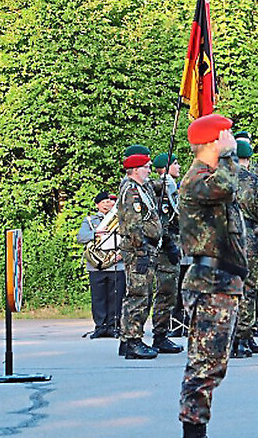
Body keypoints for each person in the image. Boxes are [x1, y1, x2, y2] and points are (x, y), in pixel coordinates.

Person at [178, 114, 247, 438]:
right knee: (204, 365)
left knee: (212, 364)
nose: (230, 140)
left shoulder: (210, 176)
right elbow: (228, 185)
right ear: (212, 141)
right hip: (210, 283)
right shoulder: (198, 179)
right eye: (226, 135)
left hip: (221, 281)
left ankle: (196, 429)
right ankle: (193, 432)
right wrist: (231, 154)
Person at [117, 146, 163, 359]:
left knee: (141, 294)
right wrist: (141, 250)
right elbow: (133, 224)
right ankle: (133, 340)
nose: (149, 171)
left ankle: (128, 340)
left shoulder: (141, 187)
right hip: (138, 251)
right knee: (138, 295)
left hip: (142, 248)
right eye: (146, 167)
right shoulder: (131, 191)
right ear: (135, 169)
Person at [231, 139, 258, 357]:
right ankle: (242, 339)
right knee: (247, 289)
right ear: (249, 158)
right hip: (248, 237)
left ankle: (227, 338)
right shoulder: (256, 181)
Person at [149, 152, 184, 355]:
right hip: (165, 248)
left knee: (169, 293)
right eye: (175, 163)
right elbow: (165, 219)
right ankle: (159, 336)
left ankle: (162, 334)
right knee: (166, 292)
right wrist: (170, 243)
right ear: (166, 167)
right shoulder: (163, 188)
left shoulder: (170, 186)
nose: (179, 166)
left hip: (173, 244)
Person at [77, 191, 125, 339]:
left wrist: (122, 254)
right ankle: (100, 326)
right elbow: (81, 237)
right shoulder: (90, 220)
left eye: (109, 201)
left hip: (116, 264)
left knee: (116, 297)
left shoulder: (121, 220)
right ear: (97, 204)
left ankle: (113, 326)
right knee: (98, 297)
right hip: (96, 265)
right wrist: (95, 233)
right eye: (103, 202)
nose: (107, 204)